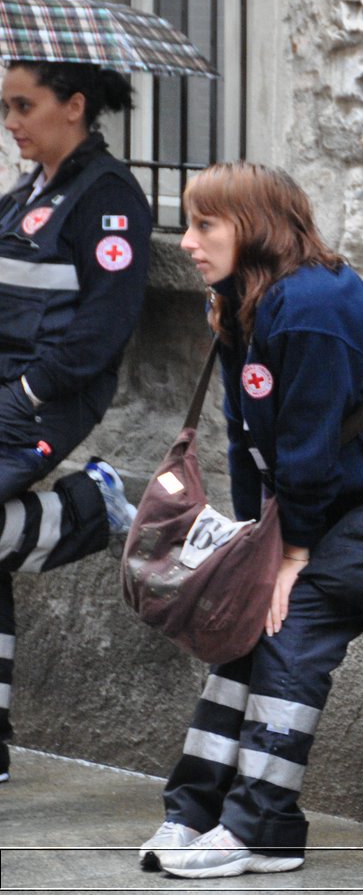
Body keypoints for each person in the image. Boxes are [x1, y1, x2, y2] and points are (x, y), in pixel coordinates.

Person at [143, 163, 363, 879]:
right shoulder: (243, 300)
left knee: (294, 623)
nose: (186, 242)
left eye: (205, 225)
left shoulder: (308, 307)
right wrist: (253, 543)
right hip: (342, 493)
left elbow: (302, 449)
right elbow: (248, 441)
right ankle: (193, 812)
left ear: (256, 229)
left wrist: (292, 554)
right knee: (244, 618)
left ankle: (260, 827)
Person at [0, 60, 147, 787]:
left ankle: (90, 505)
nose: (11, 122)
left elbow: (104, 325)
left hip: (41, 399)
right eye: (6, 106)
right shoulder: (22, 195)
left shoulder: (109, 196)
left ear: (74, 105)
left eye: (24, 105)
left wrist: (29, 389)